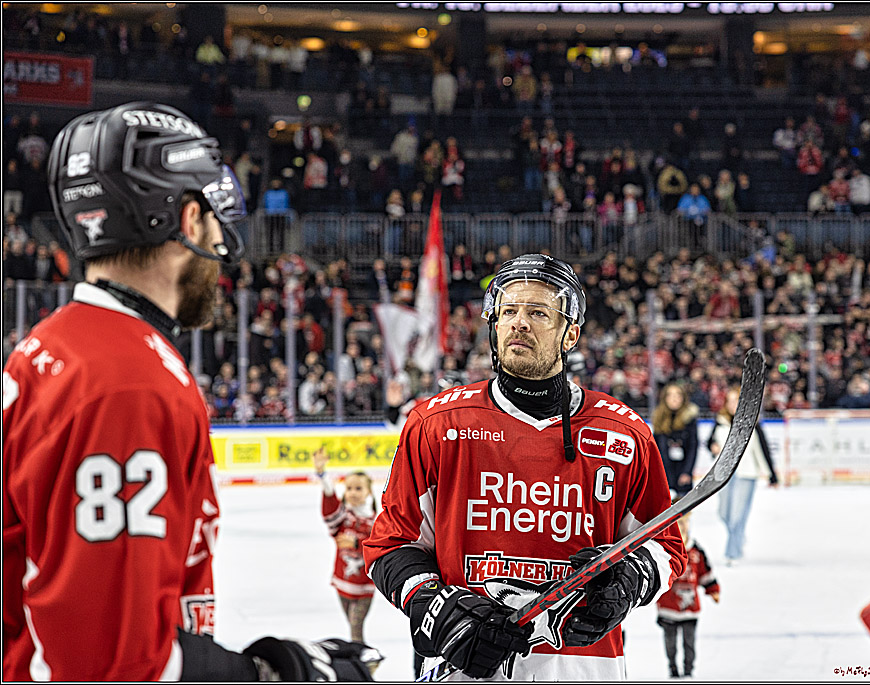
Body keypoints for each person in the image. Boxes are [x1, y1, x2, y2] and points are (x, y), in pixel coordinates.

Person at [3, 102, 376, 681]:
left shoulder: (56, 345)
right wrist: (272, 673)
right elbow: (111, 664)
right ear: (185, 219)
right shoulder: (128, 385)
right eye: (210, 213)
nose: (224, 245)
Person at [363, 254, 686, 680]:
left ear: (570, 333)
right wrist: (435, 607)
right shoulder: (437, 425)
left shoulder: (623, 434)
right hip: (462, 667)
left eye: (537, 312)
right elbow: (389, 545)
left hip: (584, 668)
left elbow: (666, 545)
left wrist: (630, 579)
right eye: (508, 311)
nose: (518, 322)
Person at [313, 450, 378, 646]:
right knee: (352, 626)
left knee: (356, 629)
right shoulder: (343, 517)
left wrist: (357, 543)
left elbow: (380, 547)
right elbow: (330, 509)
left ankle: (364, 665)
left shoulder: (375, 520)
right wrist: (322, 474)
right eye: (349, 488)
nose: (353, 493)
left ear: (368, 491)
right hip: (343, 581)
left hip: (364, 585)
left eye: (359, 488)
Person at [708, 385, 778, 565]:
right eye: (730, 401)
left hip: (747, 473)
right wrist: (713, 447)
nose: (734, 404)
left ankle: (733, 553)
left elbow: (763, 450)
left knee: (737, 514)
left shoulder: (753, 424)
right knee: (724, 513)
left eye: (737, 400)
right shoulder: (720, 422)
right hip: (724, 475)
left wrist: (772, 475)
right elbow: (710, 443)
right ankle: (738, 537)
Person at [656, 512, 720, 679]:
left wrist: (713, 589)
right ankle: (673, 669)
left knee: (689, 643)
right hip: (668, 606)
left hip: (690, 607)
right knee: (670, 643)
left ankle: (689, 671)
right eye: (678, 523)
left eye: (685, 523)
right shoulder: (663, 549)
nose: (682, 527)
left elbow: (705, 572)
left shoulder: (696, 551)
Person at [653, 383, 700, 498]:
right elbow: (655, 448)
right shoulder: (659, 418)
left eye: (677, 395)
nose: (674, 398)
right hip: (663, 473)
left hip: (682, 472)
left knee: (682, 511)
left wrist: (687, 472)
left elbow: (693, 448)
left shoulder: (689, 419)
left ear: (683, 398)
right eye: (670, 395)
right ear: (665, 398)